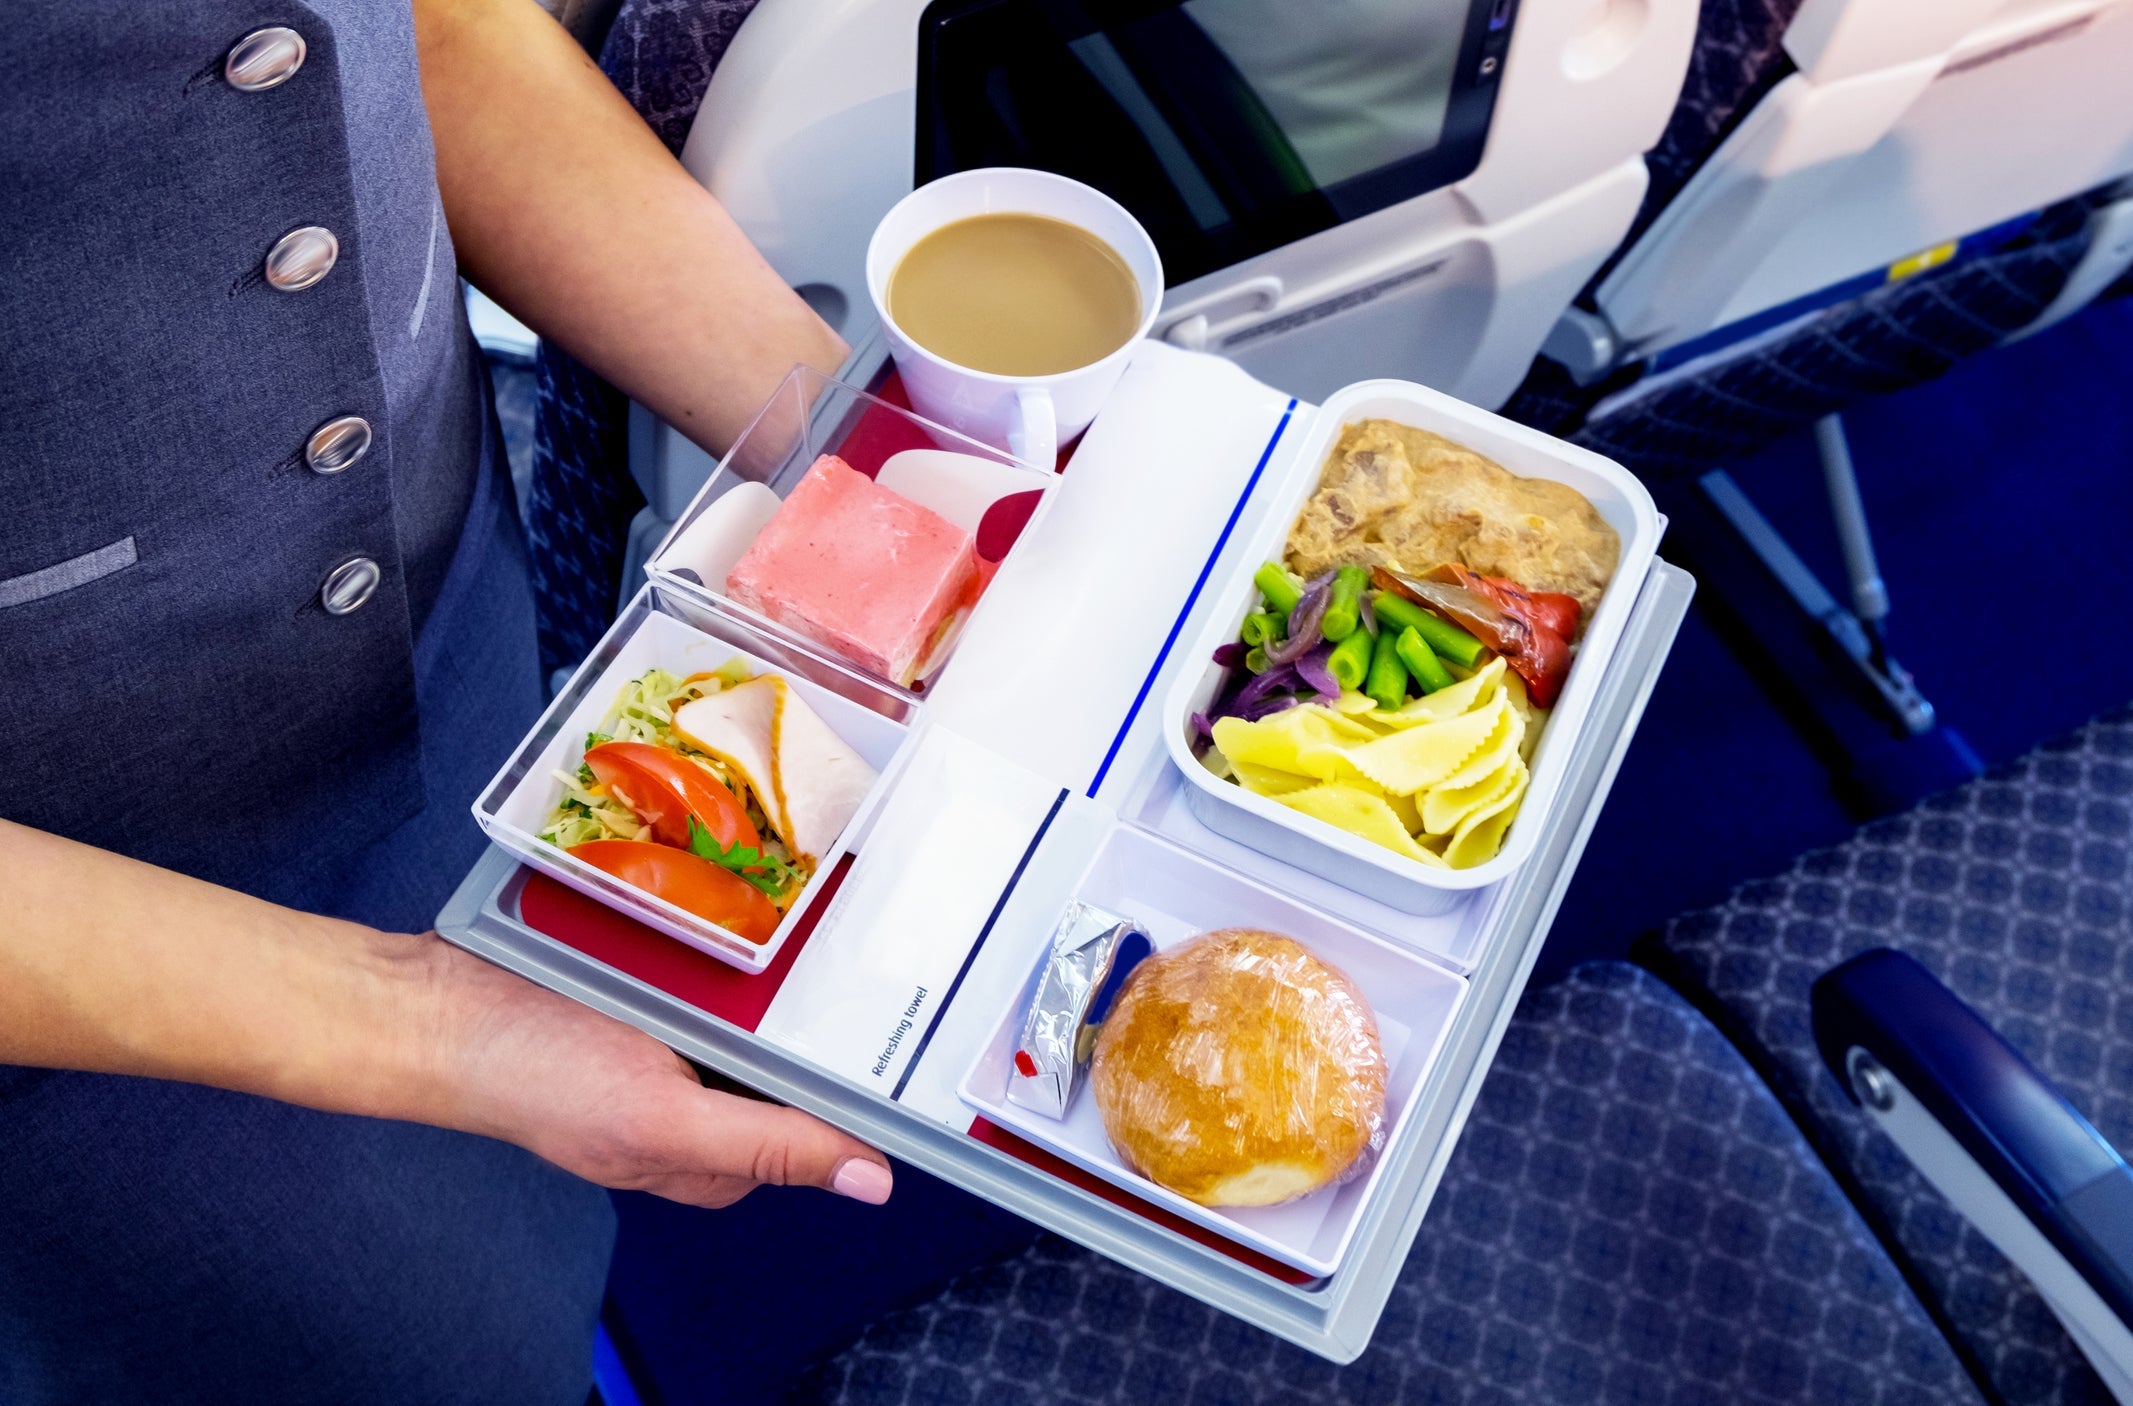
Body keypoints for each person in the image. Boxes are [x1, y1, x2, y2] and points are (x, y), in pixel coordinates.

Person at [0, 2, 892, 1400]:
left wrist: (863, 479)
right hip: (77, 921)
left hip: (445, 638)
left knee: (532, 1256)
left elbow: (442, 29)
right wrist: (424, 1023)